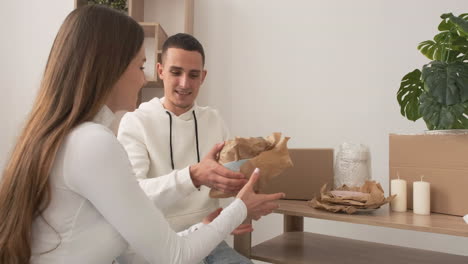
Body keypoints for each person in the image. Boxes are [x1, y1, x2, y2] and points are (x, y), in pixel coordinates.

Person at [0, 6, 284, 264]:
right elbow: (173, 254)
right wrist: (239, 208)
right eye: (140, 66)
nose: (143, 77)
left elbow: (130, 212)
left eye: (194, 75)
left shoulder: (71, 138)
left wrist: (211, 220)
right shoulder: (93, 142)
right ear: (110, 68)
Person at [117, 34, 253, 263]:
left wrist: (243, 203)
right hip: (159, 245)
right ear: (160, 71)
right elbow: (133, 196)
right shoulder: (136, 122)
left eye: (193, 75)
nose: (184, 83)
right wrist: (193, 174)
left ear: (203, 77)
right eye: (175, 72)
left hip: (210, 238)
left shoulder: (214, 120)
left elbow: (232, 180)